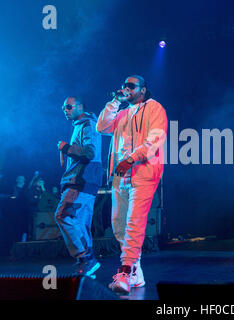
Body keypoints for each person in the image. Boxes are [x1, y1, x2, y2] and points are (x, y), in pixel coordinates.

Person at [97, 75, 167, 294]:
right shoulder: (122, 113)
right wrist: (115, 101)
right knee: (119, 224)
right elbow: (101, 126)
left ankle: (126, 271)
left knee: (134, 222)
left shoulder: (155, 108)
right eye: (123, 85)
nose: (125, 88)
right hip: (120, 175)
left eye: (130, 86)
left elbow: (154, 140)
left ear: (143, 90)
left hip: (143, 172)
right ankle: (135, 272)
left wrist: (131, 159)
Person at [55, 96, 103, 278]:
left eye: (68, 107)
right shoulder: (82, 125)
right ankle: (87, 267)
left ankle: (86, 259)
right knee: (81, 224)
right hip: (85, 180)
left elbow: (89, 153)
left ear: (80, 107)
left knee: (63, 215)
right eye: (63, 108)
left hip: (81, 181)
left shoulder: (88, 124)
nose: (65, 110)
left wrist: (66, 148)